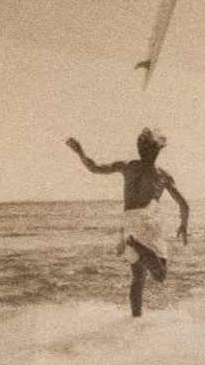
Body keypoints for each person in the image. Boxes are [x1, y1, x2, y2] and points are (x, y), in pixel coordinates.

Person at [66, 128, 189, 317]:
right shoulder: (163, 175)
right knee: (160, 275)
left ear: (139, 149)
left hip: (129, 221)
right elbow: (184, 205)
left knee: (138, 277)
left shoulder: (127, 166)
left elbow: (94, 167)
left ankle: (135, 319)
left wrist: (80, 151)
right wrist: (184, 224)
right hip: (149, 219)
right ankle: (136, 245)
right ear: (158, 151)